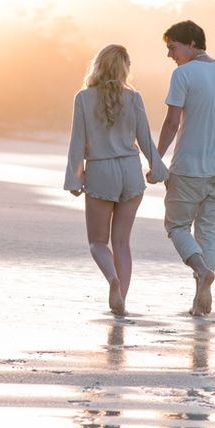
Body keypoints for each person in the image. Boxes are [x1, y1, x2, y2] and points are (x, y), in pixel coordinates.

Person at [149, 20, 215, 316]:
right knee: (207, 232)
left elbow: (171, 123)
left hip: (189, 169)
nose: (169, 55)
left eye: (172, 47)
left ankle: (201, 271)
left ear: (191, 43)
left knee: (176, 226)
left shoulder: (183, 74)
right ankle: (201, 301)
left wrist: (155, 160)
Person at [65, 44, 168, 315]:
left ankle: (112, 279)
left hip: (101, 171)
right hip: (130, 172)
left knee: (98, 242)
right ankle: (121, 296)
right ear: (125, 69)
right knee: (122, 243)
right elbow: (145, 138)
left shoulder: (84, 98)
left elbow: (77, 142)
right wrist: (158, 169)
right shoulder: (134, 98)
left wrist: (75, 179)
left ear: (97, 65)